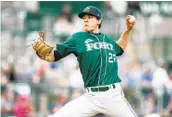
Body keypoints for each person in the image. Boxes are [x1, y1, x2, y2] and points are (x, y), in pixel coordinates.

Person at [32, 6, 137, 117]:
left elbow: (120, 47)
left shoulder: (108, 39)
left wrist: (128, 30)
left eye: (90, 17)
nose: (86, 20)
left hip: (113, 95)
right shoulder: (78, 38)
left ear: (99, 20)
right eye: (84, 18)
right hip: (92, 97)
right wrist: (42, 54)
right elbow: (55, 55)